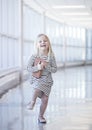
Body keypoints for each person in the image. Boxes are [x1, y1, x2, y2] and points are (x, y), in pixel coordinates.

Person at [27, 34, 57, 123]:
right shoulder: (34, 56)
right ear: (37, 44)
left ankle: (41, 116)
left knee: (45, 99)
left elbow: (55, 69)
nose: (43, 42)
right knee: (37, 88)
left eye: (45, 41)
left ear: (48, 43)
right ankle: (32, 101)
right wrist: (38, 68)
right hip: (37, 79)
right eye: (40, 41)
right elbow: (28, 68)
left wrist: (47, 66)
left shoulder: (51, 57)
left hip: (47, 80)